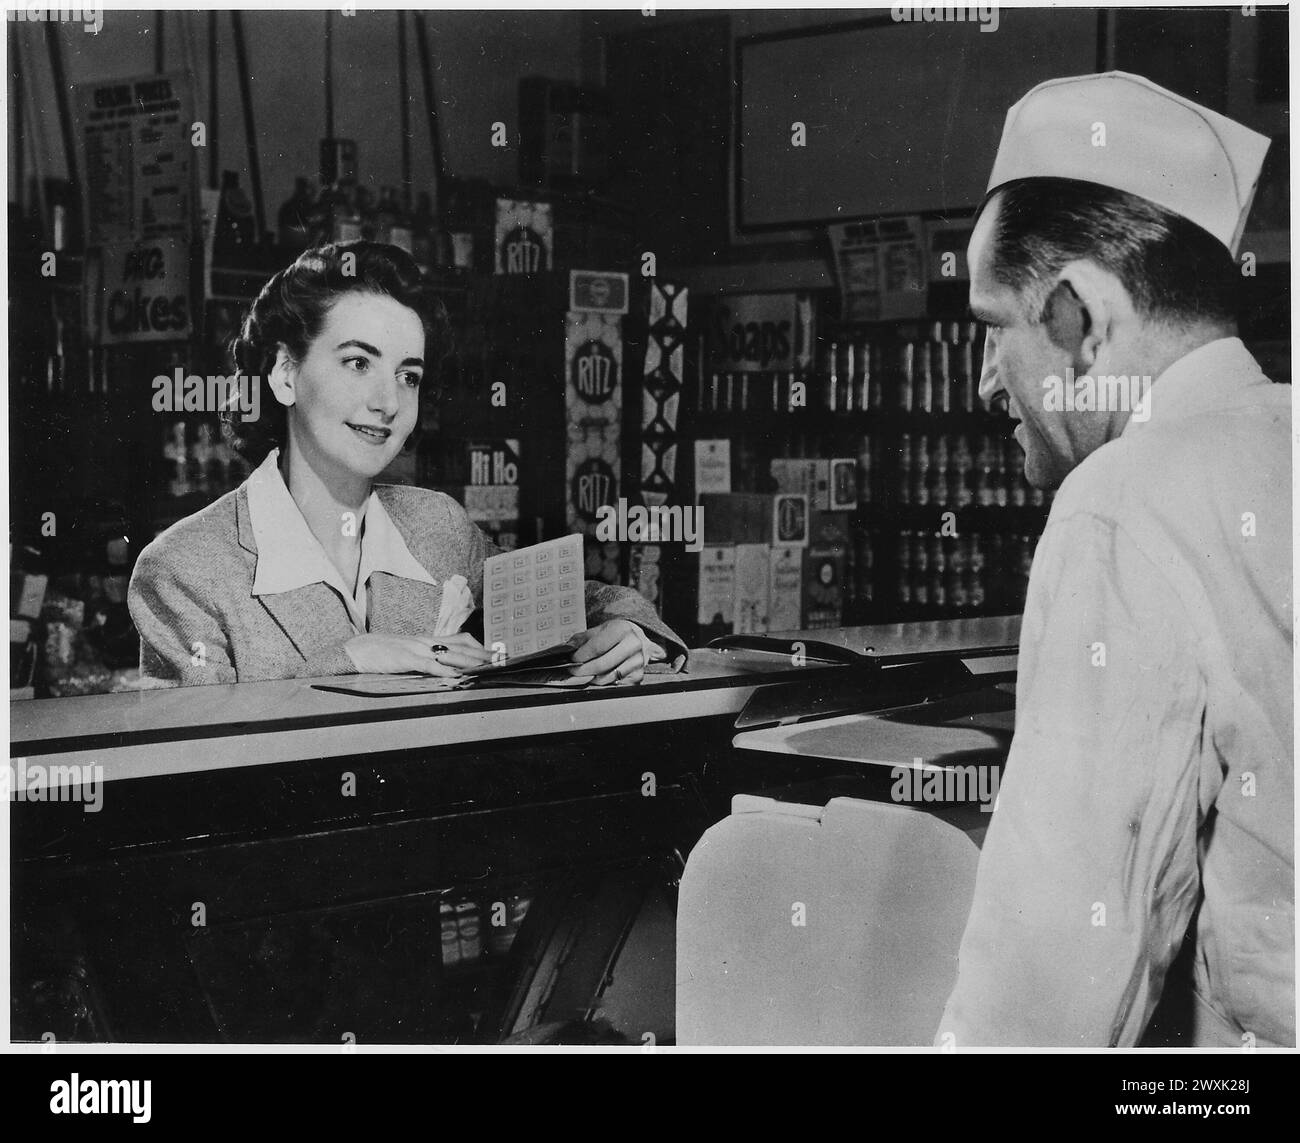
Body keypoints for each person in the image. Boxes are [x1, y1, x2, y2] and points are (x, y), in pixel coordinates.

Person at [936, 73, 1292, 1047]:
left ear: (1078, 318)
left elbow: (1051, 969)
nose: (981, 383)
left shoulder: (1124, 503)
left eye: (990, 329)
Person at [129, 242, 686, 687]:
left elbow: (577, 598)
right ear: (283, 374)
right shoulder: (185, 571)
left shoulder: (436, 528)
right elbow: (205, 769)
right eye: (357, 363)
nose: (388, 402)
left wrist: (628, 631)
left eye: (408, 375)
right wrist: (352, 657)